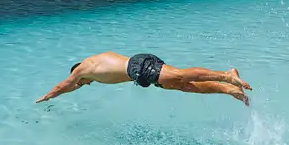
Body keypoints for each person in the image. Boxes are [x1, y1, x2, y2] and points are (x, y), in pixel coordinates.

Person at [36, 52, 252, 105]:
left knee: (180, 75)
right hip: (139, 72)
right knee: (185, 86)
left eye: (83, 82)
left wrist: (47, 97)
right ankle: (228, 90)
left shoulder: (82, 69)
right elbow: (72, 87)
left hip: (137, 67)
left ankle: (227, 75)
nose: (86, 84)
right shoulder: (93, 65)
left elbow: (65, 85)